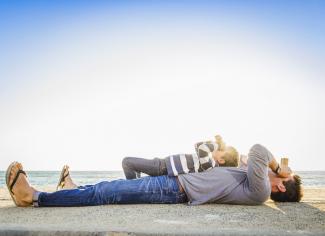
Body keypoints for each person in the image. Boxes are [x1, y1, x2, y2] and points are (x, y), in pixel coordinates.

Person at [5, 144, 303, 207]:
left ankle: (34, 197)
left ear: (280, 187)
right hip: (175, 186)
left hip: (174, 189)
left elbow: (259, 150)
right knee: (110, 189)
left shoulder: (262, 189)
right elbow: (249, 156)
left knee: (106, 193)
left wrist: (279, 168)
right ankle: (60, 191)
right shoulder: (255, 183)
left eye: (285, 178)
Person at [122, 135, 239, 179]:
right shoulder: (207, 162)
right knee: (133, 167)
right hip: (163, 164)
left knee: (127, 162)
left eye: (221, 150)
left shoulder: (210, 165)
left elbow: (203, 148)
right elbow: (198, 146)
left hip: (162, 167)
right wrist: (212, 141)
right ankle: (134, 181)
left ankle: (130, 186)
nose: (218, 149)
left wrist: (217, 144)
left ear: (221, 160)